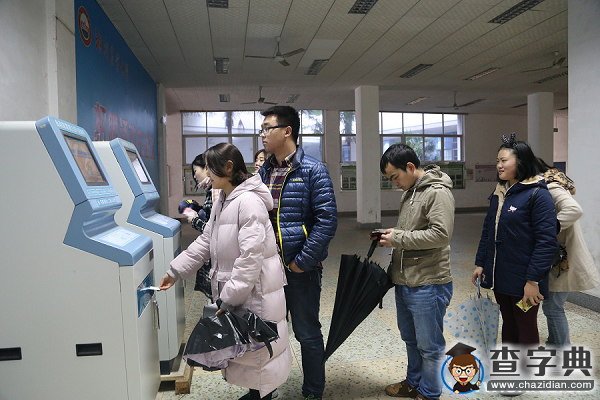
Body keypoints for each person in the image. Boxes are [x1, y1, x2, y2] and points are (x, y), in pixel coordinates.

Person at [159, 143, 292, 400]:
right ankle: (258, 395)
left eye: (211, 168)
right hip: (242, 292)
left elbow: (250, 260)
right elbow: (206, 241)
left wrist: (227, 299)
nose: (207, 173)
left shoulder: (249, 203)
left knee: (258, 354)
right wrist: (175, 271)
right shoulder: (224, 198)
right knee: (250, 354)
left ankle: (262, 396)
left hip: (256, 294)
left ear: (228, 168)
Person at [257, 105, 337, 400]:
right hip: (267, 270)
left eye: (268, 128)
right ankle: (265, 390)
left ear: (287, 131)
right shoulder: (263, 171)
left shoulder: (313, 170)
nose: (263, 134)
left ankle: (313, 391)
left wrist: (302, 262)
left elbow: (327, 221)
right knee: (266, 332)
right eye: (262, 129)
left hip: (300, 270)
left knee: (307, 333)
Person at [377, 143, 454, 400]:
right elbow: (413, 232)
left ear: (410, 167)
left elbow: (440, 234)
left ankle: (430, 393)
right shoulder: (410, 193)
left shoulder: (437, 193)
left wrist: (397, 238)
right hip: (406, 279)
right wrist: (394, 234)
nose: (394, 183)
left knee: (430, 346)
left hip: (428, 281)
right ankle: (413, 383)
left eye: (395, 177)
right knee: (411, 339)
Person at [472, 134, 558, 349]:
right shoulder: (500, 192)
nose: (498, 165)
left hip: (526, 279)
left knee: (525, 327)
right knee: (509, 324)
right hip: (501, 275)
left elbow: (546, 242)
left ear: (520, 162)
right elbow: (488, 231)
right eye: (497, 161)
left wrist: (533, 281)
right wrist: (481, 263)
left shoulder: (538, 194)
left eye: (504, 160)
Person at [537, 158, 600, 349]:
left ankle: (563, 350)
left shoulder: (551, 187)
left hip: (563, 261)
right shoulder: (549, 185)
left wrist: (549, 228)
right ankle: (553, 344)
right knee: (551, 305)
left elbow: (574, 209)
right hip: (557, 258)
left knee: (553, 307)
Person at [182, 153, 214, 299]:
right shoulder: (212, 190)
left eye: (195, 171)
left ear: (206, 168)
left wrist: (193, 220)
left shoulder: (215, 191)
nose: (194, 176)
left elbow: (212, 230)